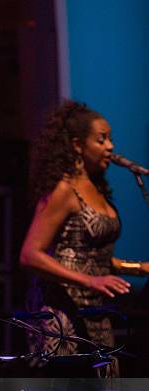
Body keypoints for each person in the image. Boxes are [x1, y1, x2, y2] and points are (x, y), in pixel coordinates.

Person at [20, 100, 149, 373]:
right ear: (78, 145)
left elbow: (92, 256)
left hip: (94, 307)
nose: (110, 147)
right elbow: (31, 254)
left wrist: (139, 268)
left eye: (110, 140)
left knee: (105, 388)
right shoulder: (64, 190)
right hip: (62, 311)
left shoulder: (96, 188)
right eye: (101, 140)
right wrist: (90, 280)